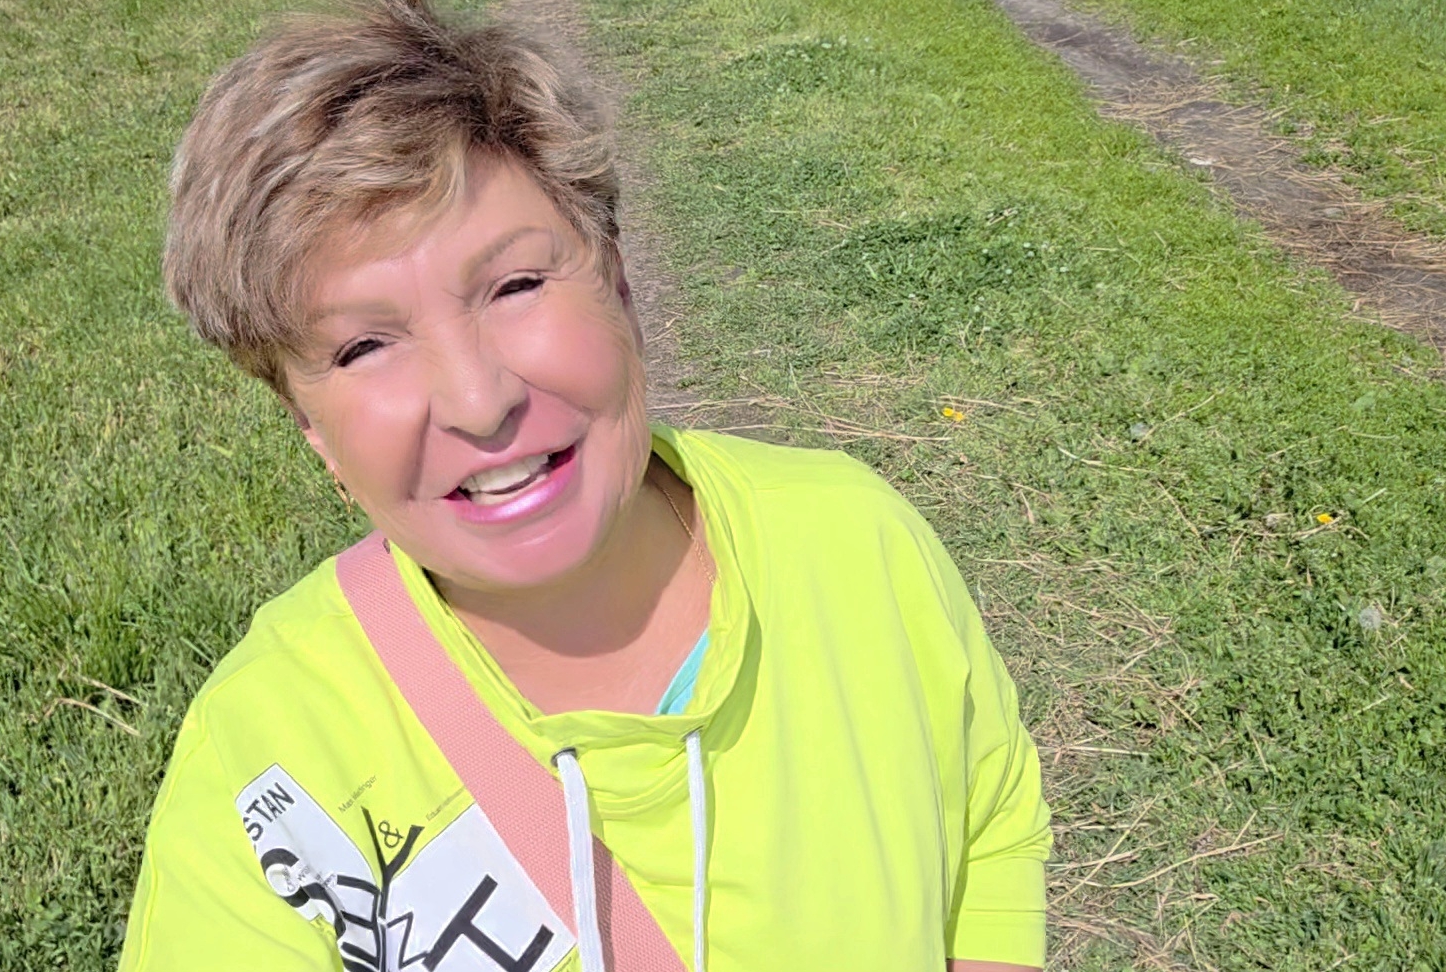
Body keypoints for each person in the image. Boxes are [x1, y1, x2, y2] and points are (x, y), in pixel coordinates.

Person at [120, 1, 1053, 969]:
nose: (479, 401)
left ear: (619, 283)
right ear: (310, 428)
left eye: (516, 286)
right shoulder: (269, 759)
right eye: (364, 347)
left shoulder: (853, 539)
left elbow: (986, 816)